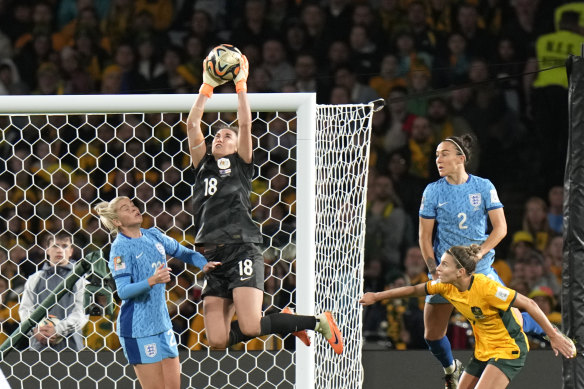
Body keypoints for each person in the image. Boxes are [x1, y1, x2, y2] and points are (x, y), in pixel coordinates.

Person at [186, 51, 343, 354]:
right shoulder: (201, 166)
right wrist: (206, 87)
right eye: (217, 135)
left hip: (242, 247)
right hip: (212, 256)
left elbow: (245, 124)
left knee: (250, 327)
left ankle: (316, 321)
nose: (220, 137)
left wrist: (241, 86)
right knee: (217, 341)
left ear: (237, 144)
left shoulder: (242, 166)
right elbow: (193, 125)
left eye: (227, 135)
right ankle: (283, 320)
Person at [418, 134, 544, 389]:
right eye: (436, 155)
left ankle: (546, 331)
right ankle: (451, 368)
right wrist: (433, 271)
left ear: (460, 158)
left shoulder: (483, 186)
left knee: (510, 315)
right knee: (432, 335)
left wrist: (480, 253)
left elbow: (500, 228)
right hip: (448, 272)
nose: (438, 159)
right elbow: (424, 236)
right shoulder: (433, 191)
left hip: (480, 269)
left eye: (444, 154)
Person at [359, 244, 576, 389]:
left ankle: (551, 331)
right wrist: (377, 296)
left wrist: (553, 336)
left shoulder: (487, 288)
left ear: (460, 272)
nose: (438, 268)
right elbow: (414, 290)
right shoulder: (445, 286)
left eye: (444, 264)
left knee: (518, 316)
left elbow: (529, 303)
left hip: (508, 350)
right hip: (483, 350)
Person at [93, 196, 214, 389]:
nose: (133, 209)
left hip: (162, 325)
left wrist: (203, 263)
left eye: (133, 204)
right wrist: (152, 280)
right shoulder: (120, 249)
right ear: (117, 221)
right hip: (138, 329)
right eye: (126, 208)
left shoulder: (153, 235)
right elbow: (123, 291)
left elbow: (183, 252)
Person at [19, 232, 89, 351]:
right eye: (55, 246)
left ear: (71, 251)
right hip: (39, 346)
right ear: (47, 250)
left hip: (71, 348)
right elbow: (25, 309)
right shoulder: (35, 279)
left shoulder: (80, 280)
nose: (60, 250)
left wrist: (58, 330)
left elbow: (81, 313)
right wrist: (35, 330)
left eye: (64, 246)